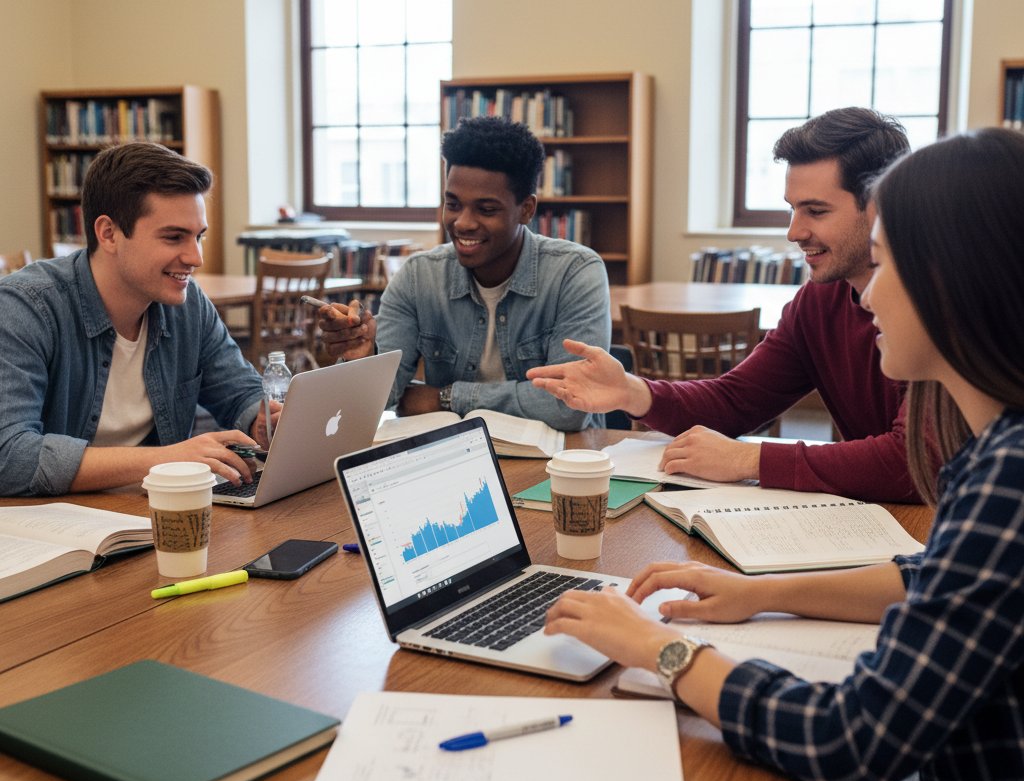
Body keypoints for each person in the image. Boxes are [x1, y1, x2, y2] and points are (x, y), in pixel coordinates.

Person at [544, 127, 1024, 781]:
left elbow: (850, 742)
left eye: (889, 259)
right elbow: (935, 580)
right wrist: (757, 590)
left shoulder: (1007, 483)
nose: (870, 295)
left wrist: (658, 648)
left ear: (958, 277)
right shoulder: (999, 457)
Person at [529, 107, 919, 501]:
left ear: (878, 206)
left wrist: (751, 460)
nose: (794, 232)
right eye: (792, 208)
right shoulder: (818, 301)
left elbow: (914, 461)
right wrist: (632, 392)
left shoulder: (939, 303)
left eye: (815, 211)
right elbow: (737, 400)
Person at [0, 142, 278, 497]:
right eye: (174, 237)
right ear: (109, 233)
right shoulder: (24, 308)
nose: (196, 258)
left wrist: (264, 421)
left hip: (149, 514)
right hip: (49, 528)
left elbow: (239, 392)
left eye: (199, 237)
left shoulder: (189, 305)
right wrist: (166, 459)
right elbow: (9, 456)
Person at [316, 115, 611, 430]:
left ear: (526, 209)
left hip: (563, 464)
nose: (463, 223)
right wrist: (362, 362)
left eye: (486, 210)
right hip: (456, 460)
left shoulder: (575, 273)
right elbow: (378, 402)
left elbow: (569, 407)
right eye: (453, 204)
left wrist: (445, 398)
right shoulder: (419, 277)